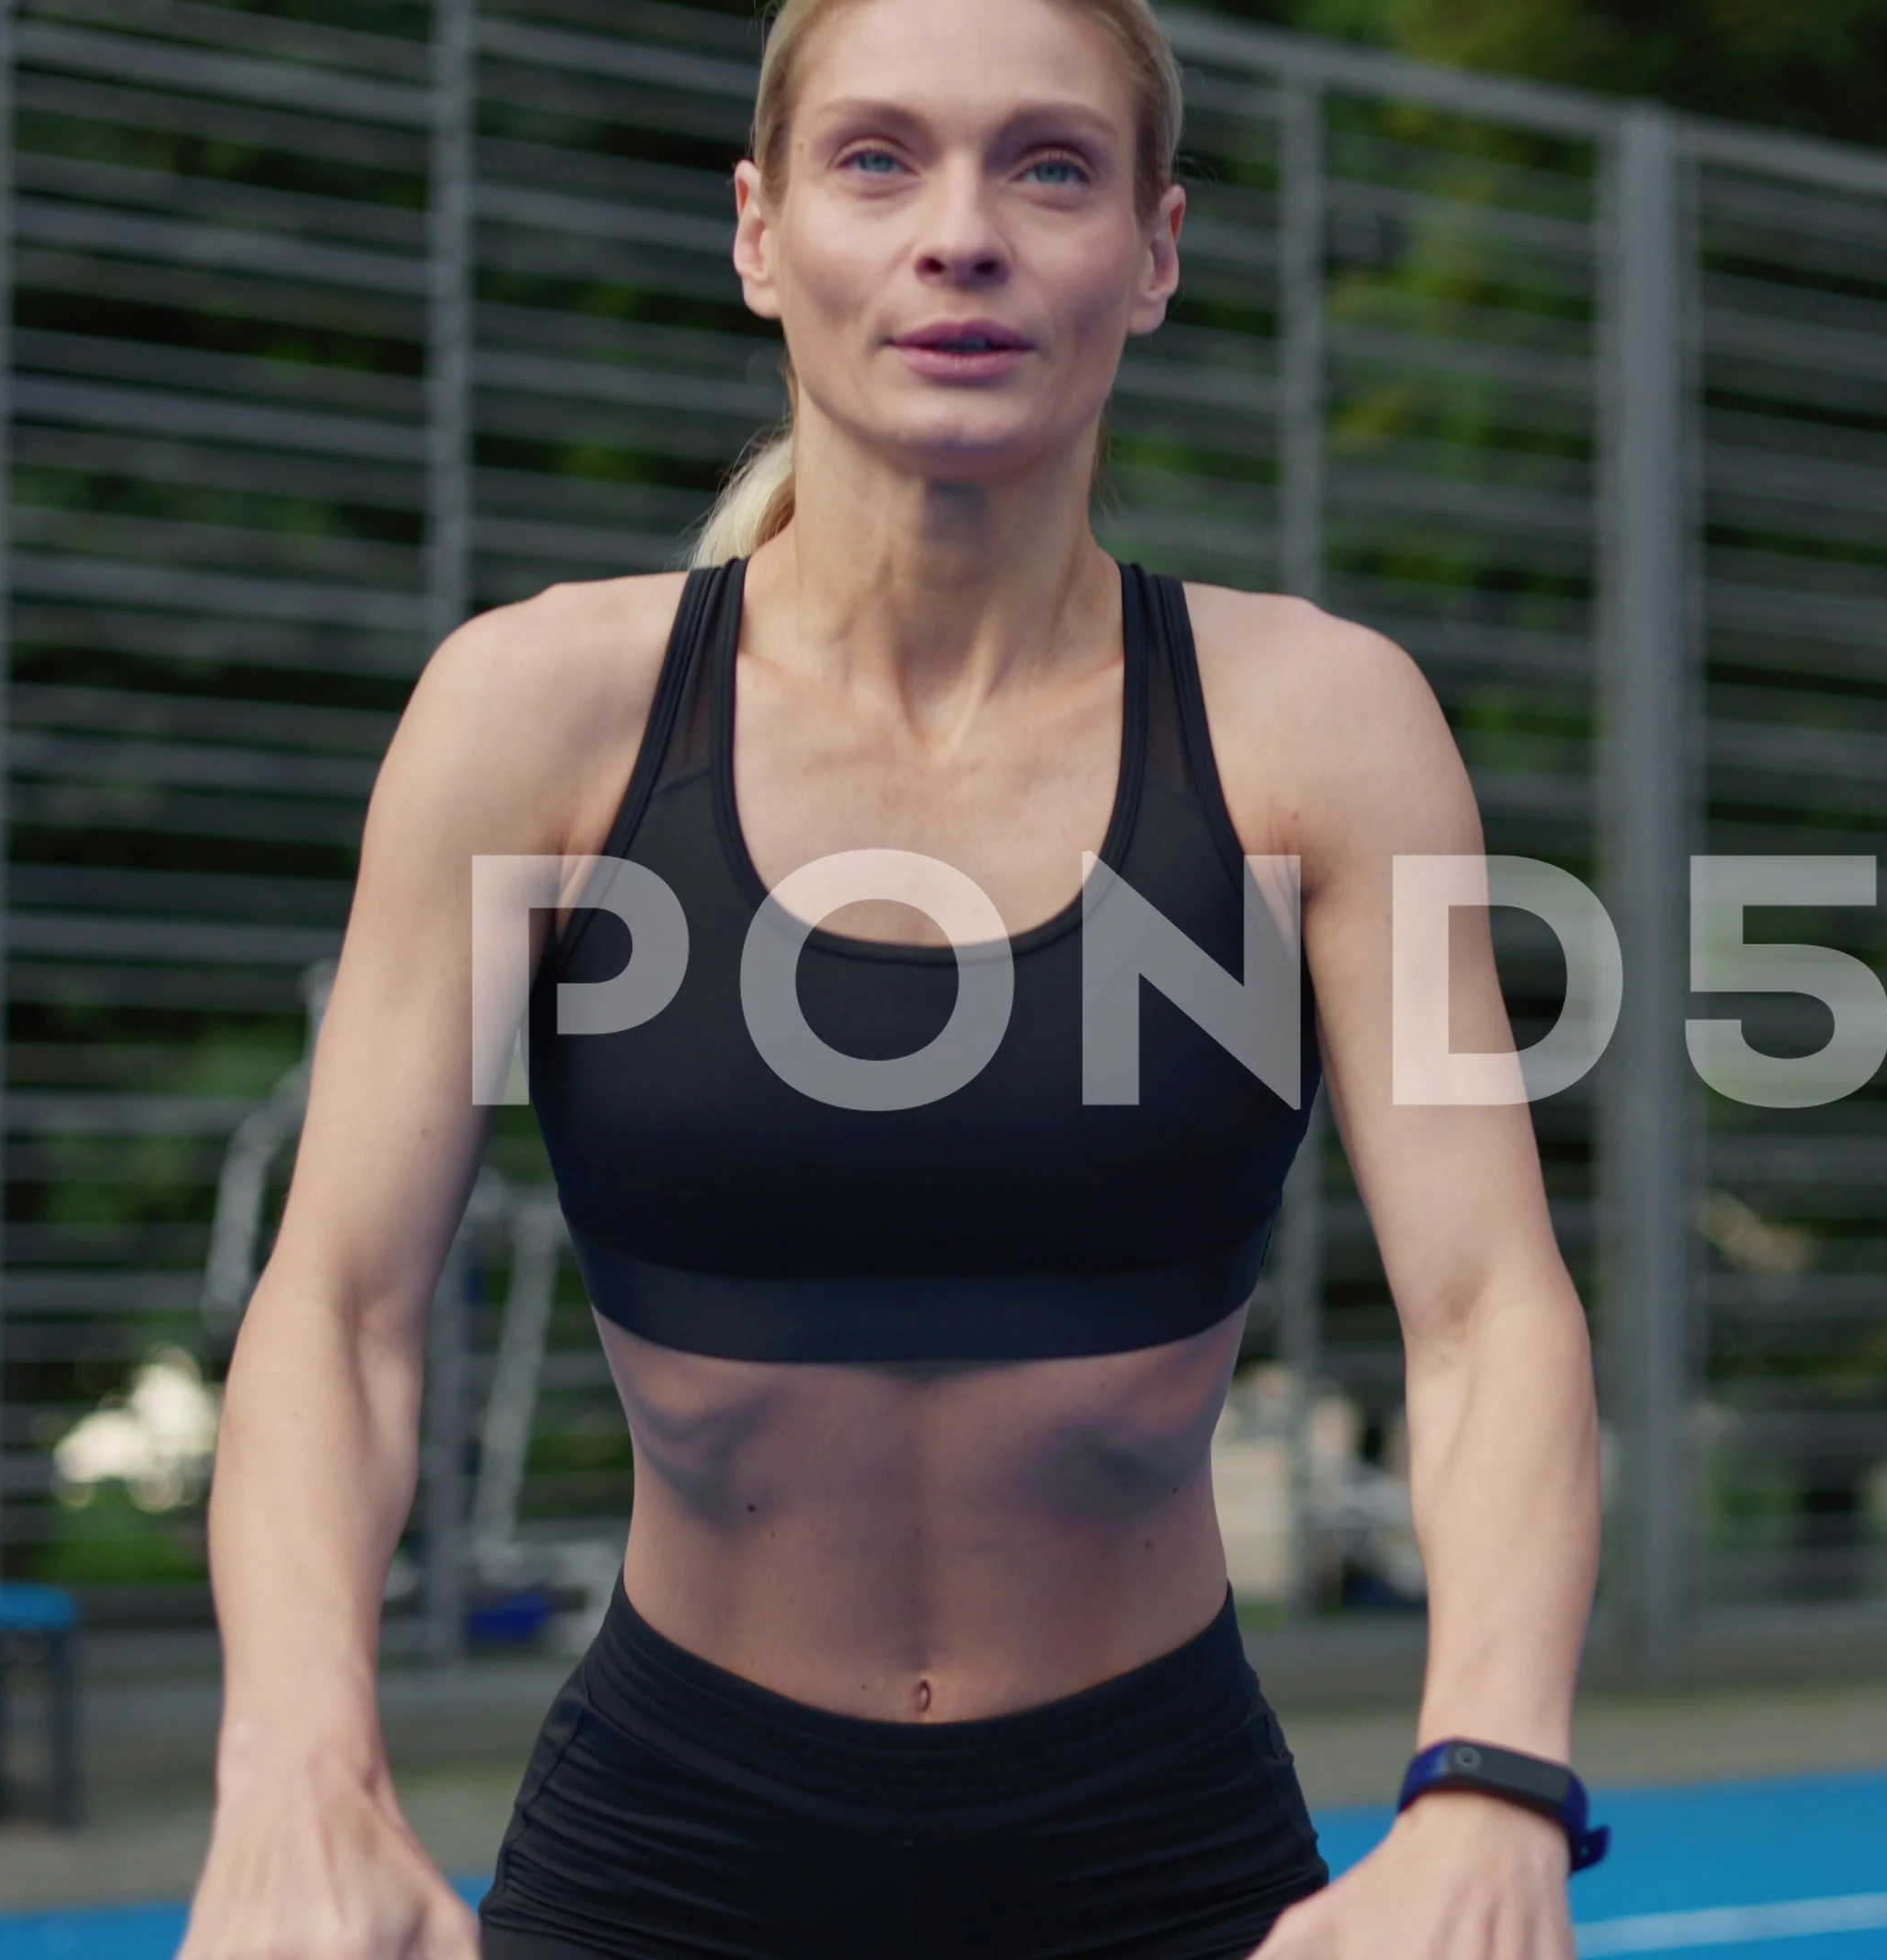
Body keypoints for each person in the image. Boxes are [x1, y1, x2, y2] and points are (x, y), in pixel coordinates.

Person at [174, 0, 1600, 1952]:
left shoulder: (1315, 730)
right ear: (760, 235)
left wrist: (1493, 1783)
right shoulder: (542, 715)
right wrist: (296, 1769)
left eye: (1049, 164)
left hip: (1161, 1845)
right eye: (877, 157)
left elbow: (1488, 1314)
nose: (962, 233)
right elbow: (338, 1313)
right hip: (673, 1844)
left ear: (1154, 252)